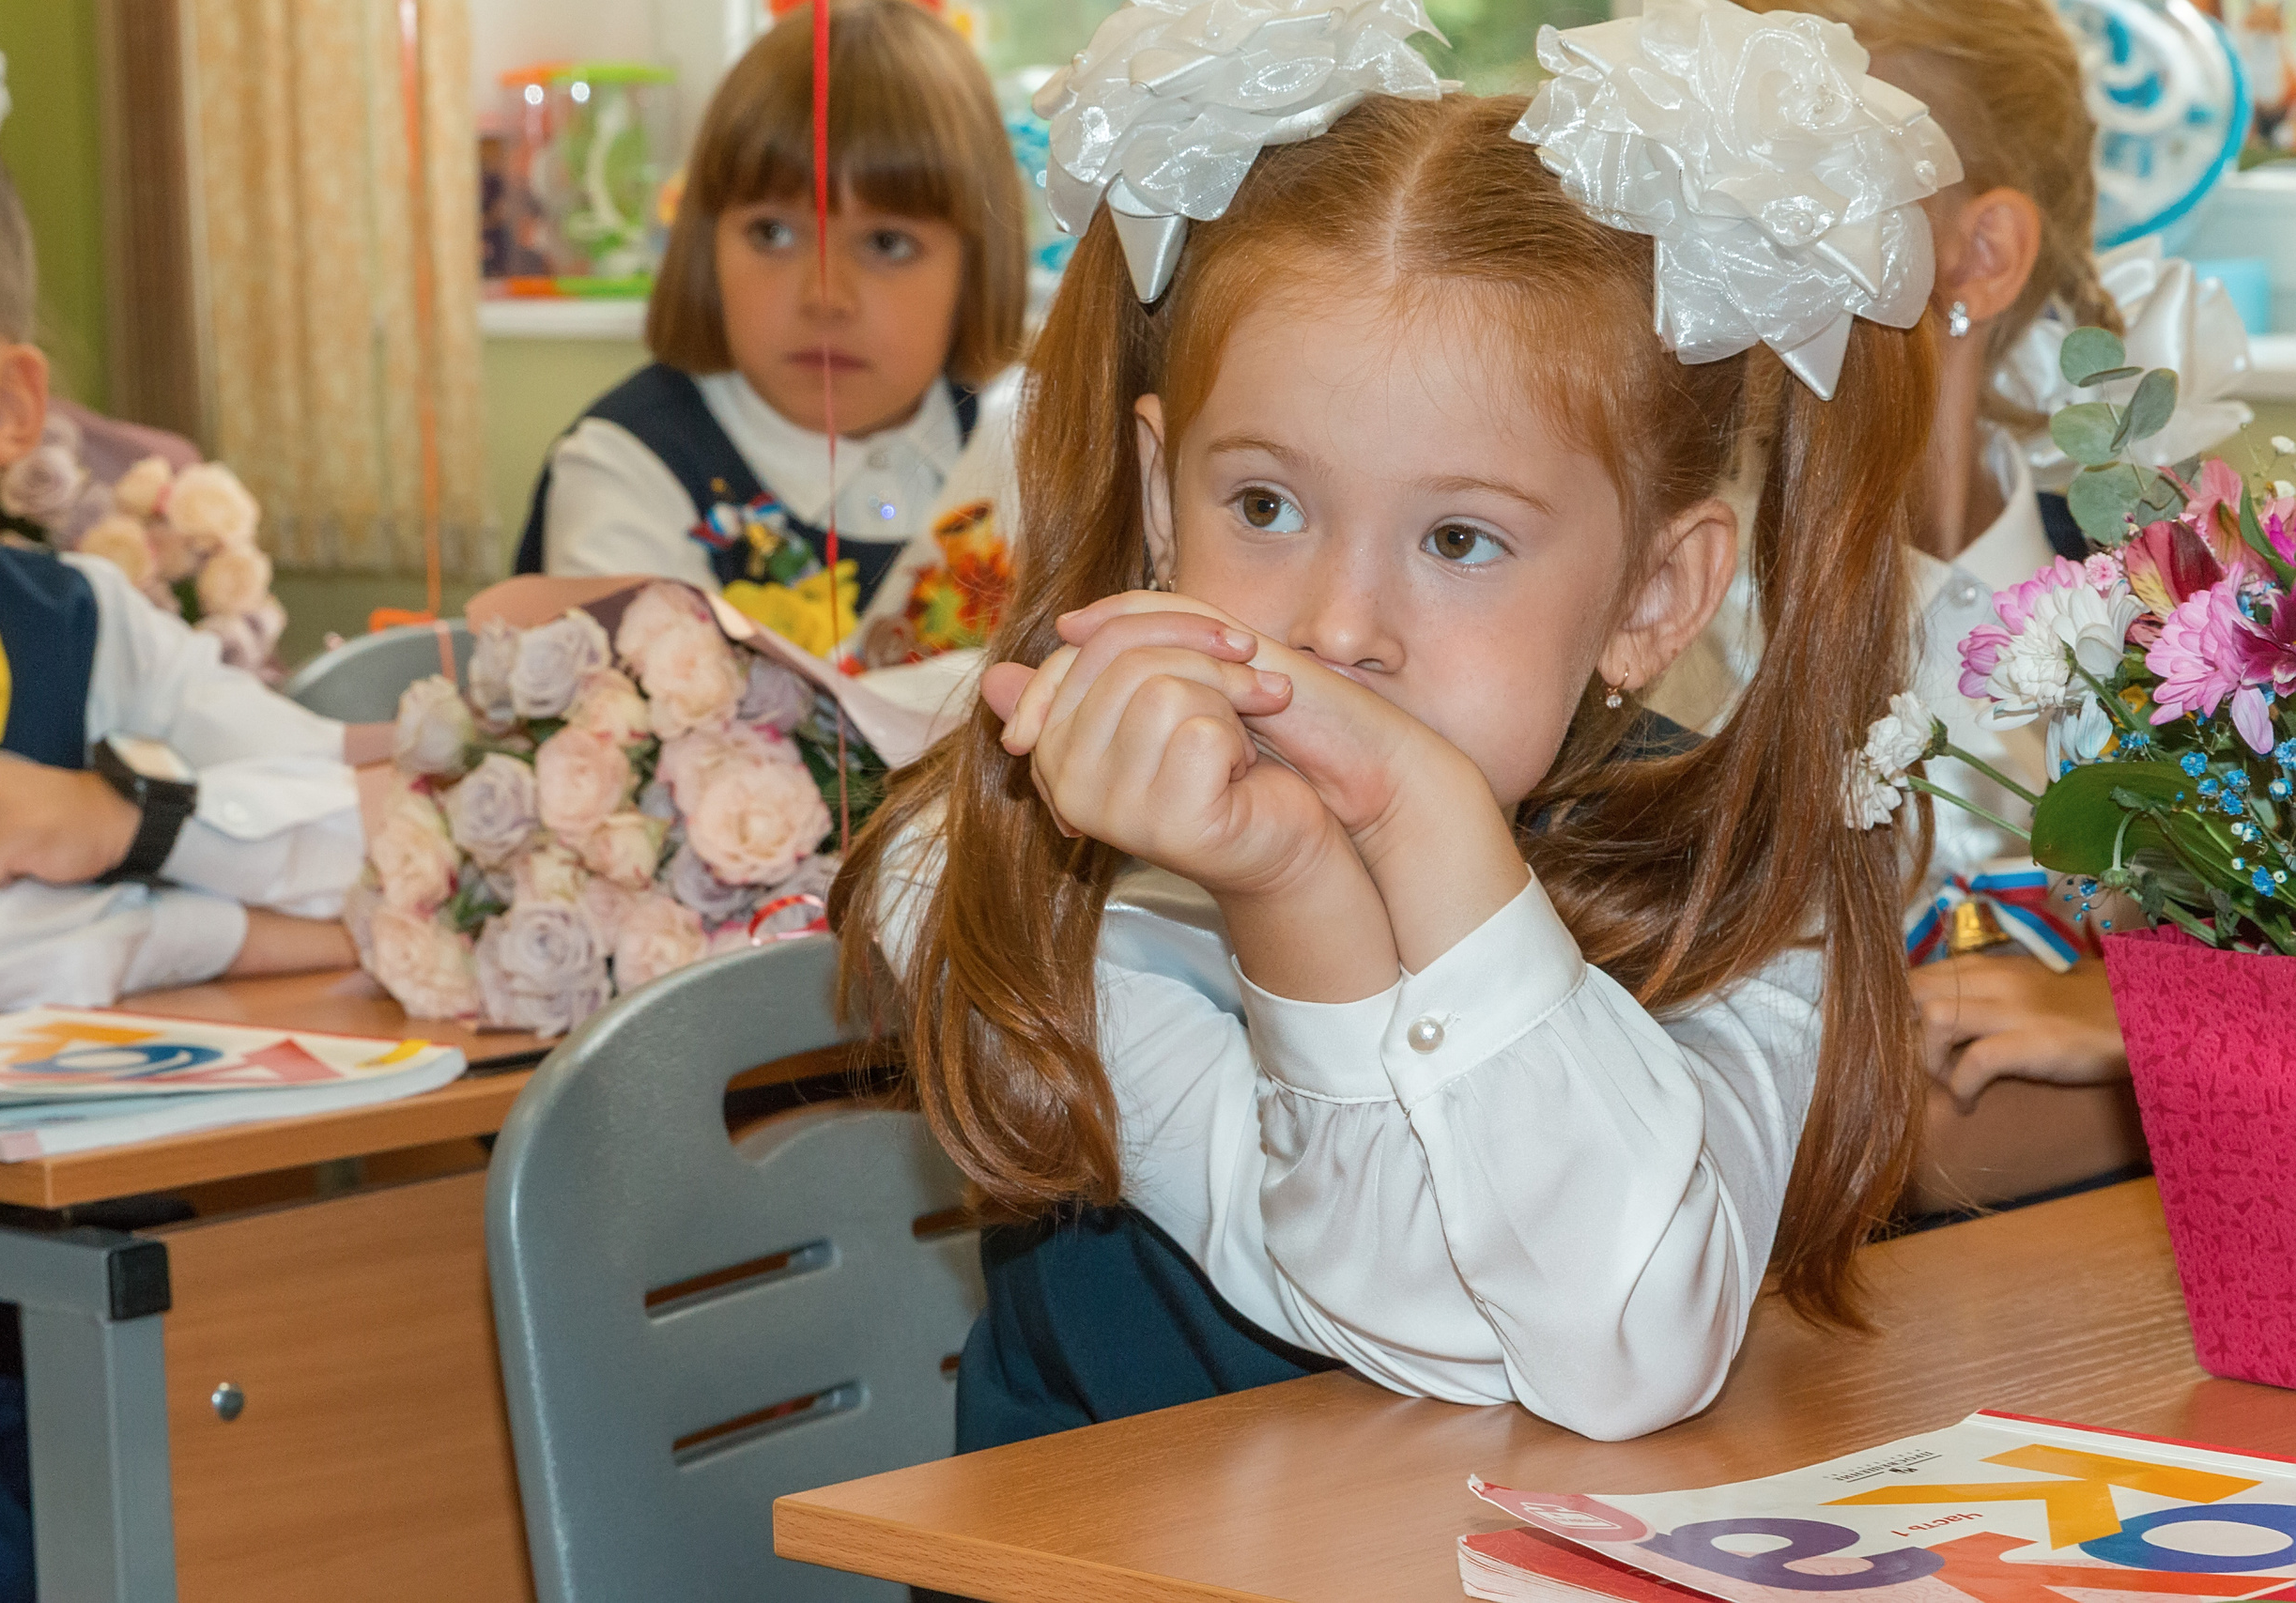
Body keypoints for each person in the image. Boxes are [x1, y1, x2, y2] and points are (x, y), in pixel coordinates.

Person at [835, 0, 1953, 1451]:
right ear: (1164, 500)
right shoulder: (996, 868)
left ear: (1655, 594)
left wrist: (1412, 828)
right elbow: (1440, 1339)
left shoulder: (1743, 879)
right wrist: (1300, 879)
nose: (1338, 625)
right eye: (1266, 506)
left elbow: (1624, 1349)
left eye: (1461, 539)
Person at [0, 85, 361, 1600]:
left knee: (317, 1509)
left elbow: (368, 827)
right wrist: (193, 913)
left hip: (119, 1282)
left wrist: (123, 815)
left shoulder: (87, 621)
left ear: (8, 409)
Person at [1662, 0, 2235, 1212]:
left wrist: (2144, 1024)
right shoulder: (1660, 634)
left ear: (1979, 257)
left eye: (1797, 187)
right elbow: (1793, 1154)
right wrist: (2195, 1068)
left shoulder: (2187, 614)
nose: (1711, 245)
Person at [514, 0, 1027, 668]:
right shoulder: (627, 467)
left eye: (887, 243)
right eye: (773, 233)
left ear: (975, 264)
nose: (825, 296)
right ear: (705, 246)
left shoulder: (1028, 442)